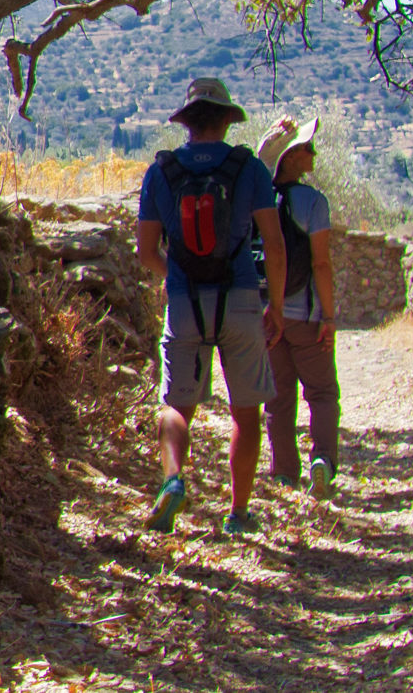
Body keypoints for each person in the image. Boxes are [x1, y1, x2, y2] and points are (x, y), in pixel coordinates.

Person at [136, 78, 286, 535]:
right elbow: (275, 246)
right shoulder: (249, 168)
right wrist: (274, 307)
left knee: (176, 405)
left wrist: (181, 278)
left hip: (184, 303)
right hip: (240, 299)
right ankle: (238, 513)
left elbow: (145, 253)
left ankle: (174, 479)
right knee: (246, 410)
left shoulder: (161, 172)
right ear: (226, 120)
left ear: (186, 124)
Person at [257, 116, 340, 500]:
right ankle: (322, 461)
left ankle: (285, 474)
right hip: (306, 316)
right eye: (307, 147)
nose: (314, 153)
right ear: (290, 157)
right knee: (322, 393)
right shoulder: (313, 203)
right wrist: (329, 316)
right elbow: (321, 264)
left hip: (268, 317)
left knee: (278, 399)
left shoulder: (259, 202)